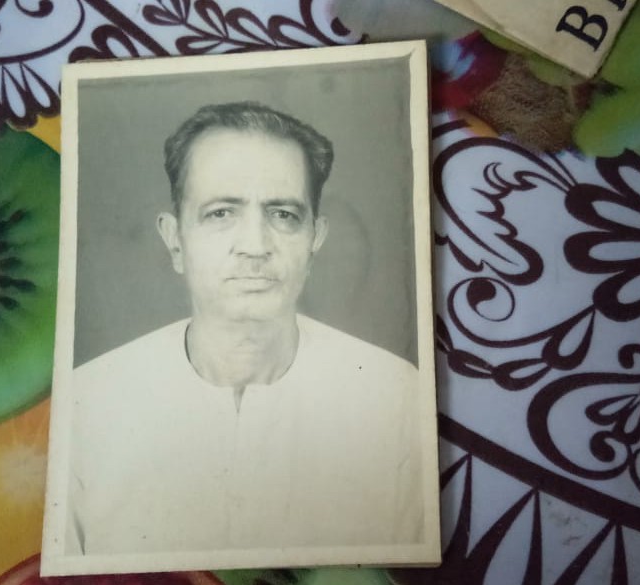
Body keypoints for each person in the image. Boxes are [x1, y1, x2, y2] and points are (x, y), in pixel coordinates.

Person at [67, 102, 424, 555]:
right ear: (175, 239)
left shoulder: (397, 399)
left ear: (315, 238)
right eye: (221, 213)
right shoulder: (85, 406)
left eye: (284, 215)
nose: (255, 246)